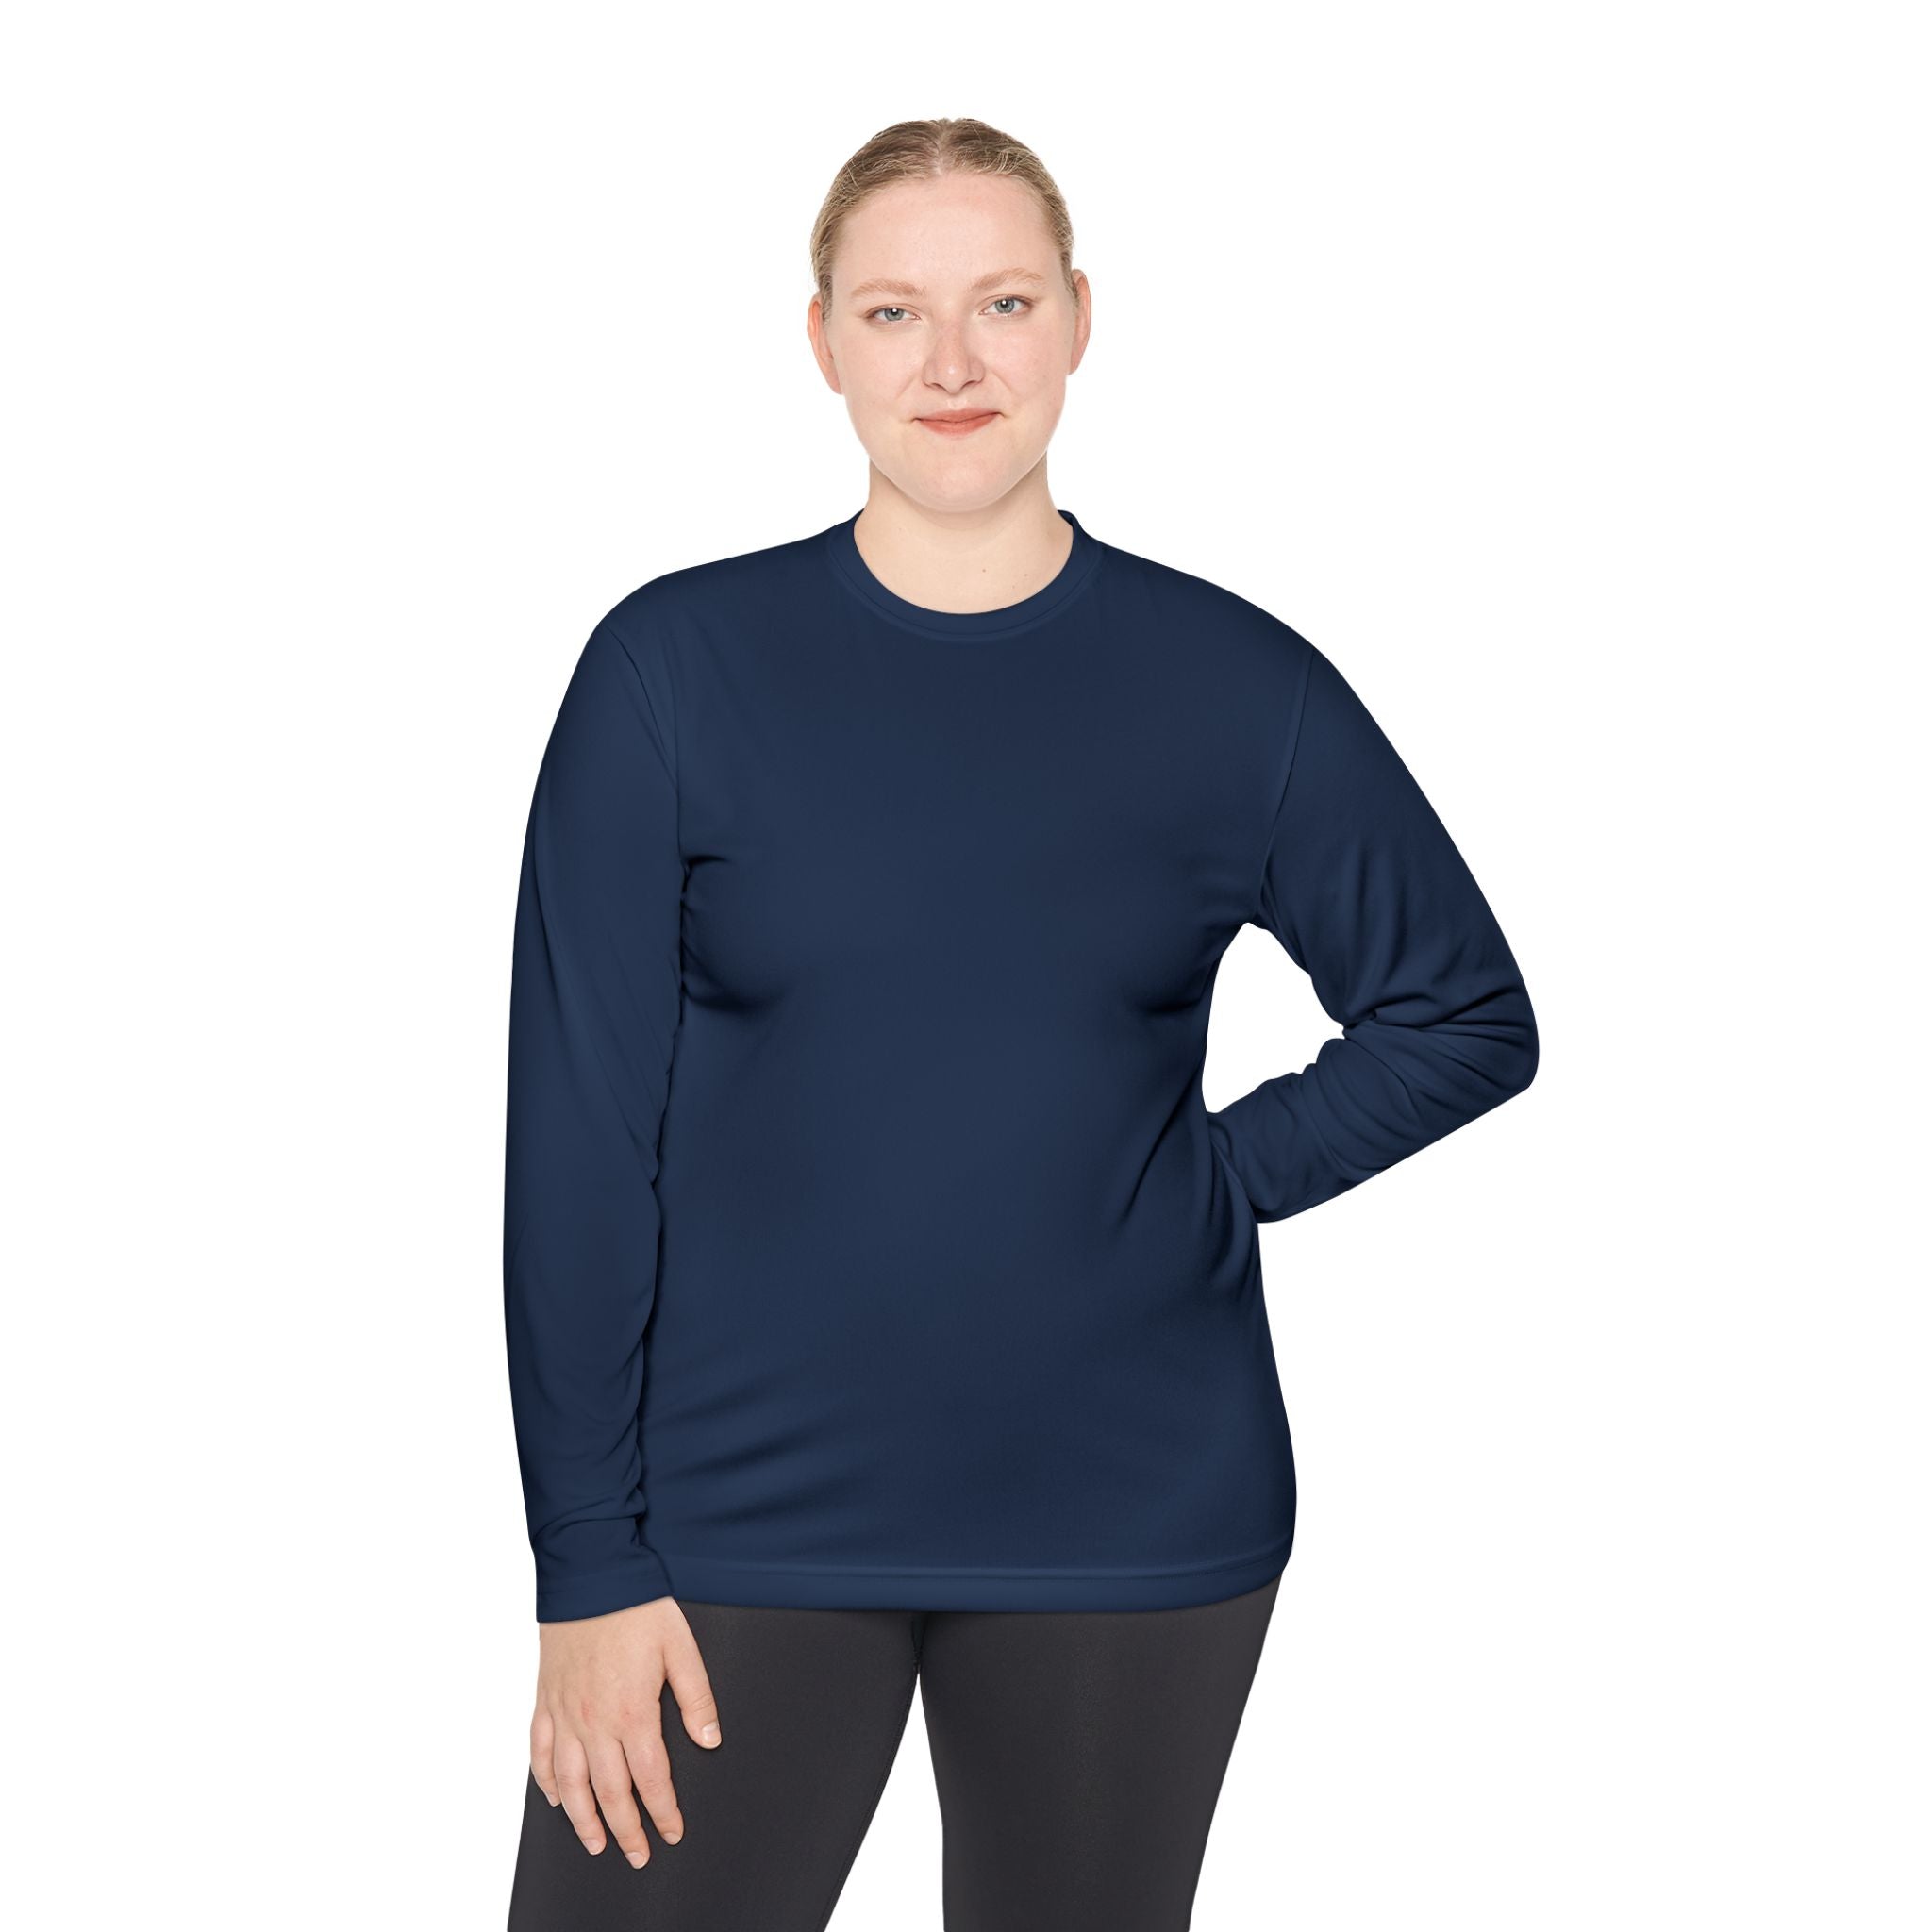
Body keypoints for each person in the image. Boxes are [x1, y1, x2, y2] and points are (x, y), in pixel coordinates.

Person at [502, 117, 1539, 1932]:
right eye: (894, 312)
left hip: (1133, 1518)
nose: (954, 363)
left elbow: (1460, 1011)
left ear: (1079, 322)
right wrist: (586, 1559)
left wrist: (1203, 1181)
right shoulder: (673, 671)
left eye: (1003, 302)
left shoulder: (1234, 685)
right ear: (822, 342)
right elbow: (583, 1143)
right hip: (736, 1517)